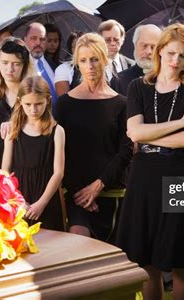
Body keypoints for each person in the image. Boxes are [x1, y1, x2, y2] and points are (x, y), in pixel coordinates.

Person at [117, 23, 184, 300]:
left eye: (183, 56)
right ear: (159, 52)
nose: (175, 61)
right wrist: (182, 122)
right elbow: (134, 132)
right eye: (170, 53)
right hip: (144, 176)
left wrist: (148, 136)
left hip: (182, 174)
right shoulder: (138, 86)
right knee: (146, 263)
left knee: (181, 262)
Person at [55, 33, 132, 243]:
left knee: (115, 262)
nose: (89, 66)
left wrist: (98, 186)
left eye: (95, 59)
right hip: (76, 193)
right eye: (83, 60)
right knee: (78, 242)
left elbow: (125, 151)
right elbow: (59, 151)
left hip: (112, 190)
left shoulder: (122, 104)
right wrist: (81, 192)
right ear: (76, 64)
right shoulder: (64, 104)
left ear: (105, 59)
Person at [2, 75, 65, 231]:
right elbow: (5, 170)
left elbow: (58, 172)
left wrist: (41, 203)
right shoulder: (13, 130)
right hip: (19, 197)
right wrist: (18, 200)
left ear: (48, 100)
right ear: (19, 102)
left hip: (46, 196)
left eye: (38, 104)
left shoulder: (57, 131)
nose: (33, 109)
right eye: (28, 104)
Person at [0, 37, 35, 166]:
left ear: (24, 66)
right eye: (5, 63)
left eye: (16, 63)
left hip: (26, 169)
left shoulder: (34, 97)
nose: (10, 69)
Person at [110, 24, 162, 96]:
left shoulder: (168, 81)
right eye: (144, 46)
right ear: (135, 45)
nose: (148, 52)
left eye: (153, 47)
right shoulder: (118, 82)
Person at [23, 22, 57, 109]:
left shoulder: (55, 64)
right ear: (25, 40)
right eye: (33, 38)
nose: (38, 43)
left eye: (42, 39)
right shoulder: (21, 67)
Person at [54, 31, 85, 96]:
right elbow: (64, 100)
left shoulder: (99, 65)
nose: (79, 49)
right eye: (75, 46)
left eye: (83, 45)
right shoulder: (63, 69)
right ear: (71, 49)